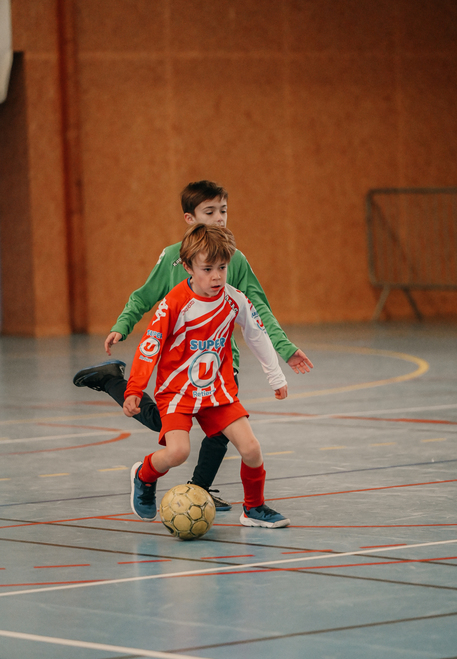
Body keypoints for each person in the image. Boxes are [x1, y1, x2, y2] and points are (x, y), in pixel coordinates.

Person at [73, 180, 312, 510]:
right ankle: (116, 386)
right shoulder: (174, 266)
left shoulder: (234, 263)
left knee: (227, 435)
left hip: (218, 366)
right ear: (190, 219)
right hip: (177, 373)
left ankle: (202, 491)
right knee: (170, 435)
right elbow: (146, 308)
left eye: (223, 211)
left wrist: (283, 353)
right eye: (209, 212)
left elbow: (257, 313)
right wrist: (123, 326)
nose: (219, 218)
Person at [124, 223, 290, 529]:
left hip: (217, 391)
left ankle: (253, 509)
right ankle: (143, 475)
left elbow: (256, 334)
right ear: (188, 267)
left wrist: (275, 376)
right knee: (177, 452)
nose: (216, 276)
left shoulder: (234, 299)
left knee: (251, 449)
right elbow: (150, 346)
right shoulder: (174, 304)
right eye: (207, 269)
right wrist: (135, 387)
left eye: (222, 268)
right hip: (177, 392)